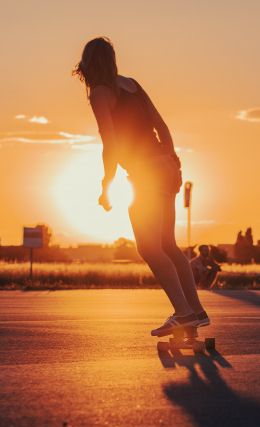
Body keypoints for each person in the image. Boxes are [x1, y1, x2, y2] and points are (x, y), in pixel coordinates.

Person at [73, 36, 210, 336]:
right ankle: (195, 311)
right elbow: (162, 126)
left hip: (146, 173)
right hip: (166, 168)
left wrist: (106, 185)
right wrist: (173, 161)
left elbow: (110, 144)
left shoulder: (99, 94)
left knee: (148, 247)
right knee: (167, 245)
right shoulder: (131, 84)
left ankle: (184, 313)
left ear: (88, 64)